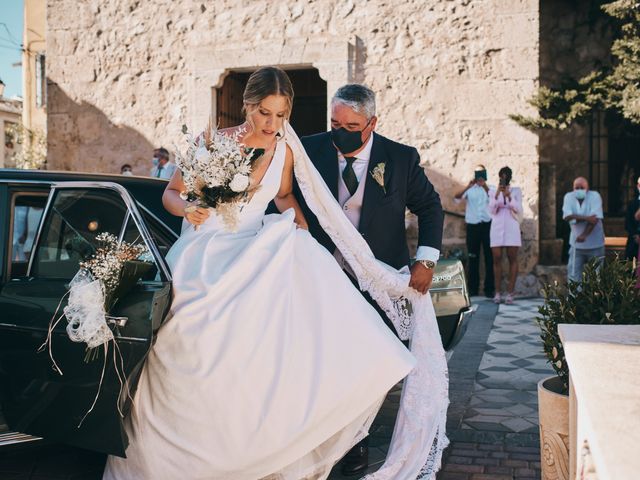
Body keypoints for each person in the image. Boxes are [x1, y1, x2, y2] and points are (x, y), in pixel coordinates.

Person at [103, 68, 447, 480]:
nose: (272, 124)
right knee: (194, 348)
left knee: (302, 349)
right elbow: (171, 194)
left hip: (255, 248)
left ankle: (287, 444)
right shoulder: (211, 142)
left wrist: (300, 227)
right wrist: (189, 209)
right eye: (265, 113)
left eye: (281, 115)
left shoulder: (287, 149)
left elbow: (283, 196)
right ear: (248, 105)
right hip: (205, 254)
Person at [297, 83, 444, 475]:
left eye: (351, 125)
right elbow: (284, 195)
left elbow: (430, 208)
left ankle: (356, 439)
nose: (339, 131)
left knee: (369, 365)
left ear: (372, 123)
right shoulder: (310, 149)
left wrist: (426, 260)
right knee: (325, 360)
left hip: (378, 278)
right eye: (334, 122)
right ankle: (328, 438)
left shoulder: (399, 158)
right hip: (322, 273)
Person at [454, 165, 495, 298]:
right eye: (478, 174)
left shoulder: (490, 189)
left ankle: (489, 289)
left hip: (487, 226)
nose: (480, 177)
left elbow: (495, 200)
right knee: (473, 258)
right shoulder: (470, 190)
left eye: (482, 174)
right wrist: (468, 186)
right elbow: (456, 198)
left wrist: (485, 186)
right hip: (472, 227)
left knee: (489, 258)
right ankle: (473, 289)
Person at [488, 166, 522, 304]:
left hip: (511, 226)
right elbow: (491, 209)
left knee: (512, 258)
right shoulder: (492, 191)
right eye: (502, 176)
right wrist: (497, 194)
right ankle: (497, 292)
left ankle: (510, 292)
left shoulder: (516, 191)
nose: (504, 179)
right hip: (497, 227)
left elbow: (519, 209)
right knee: (496, 258)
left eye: (506, 176)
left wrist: (509, 196)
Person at [562, 177, 605, 283]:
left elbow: (594, 220)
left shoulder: (595, 196)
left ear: (587, 188)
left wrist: (584, 235)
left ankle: (595, 299)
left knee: (597, 276)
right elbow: (567, 217)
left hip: (595, 244)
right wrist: (586, 218)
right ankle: (574, 298)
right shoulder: (568, 197)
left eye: (582, 187)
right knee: (573, 275)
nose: (579, 189)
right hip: (576, 244)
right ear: (573, 188)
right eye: (577, 187)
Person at [624, 176, 640, 260]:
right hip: (634, 242)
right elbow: (628, 223)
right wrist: (636, 236)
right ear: (638, 186)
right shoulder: (632, 204)